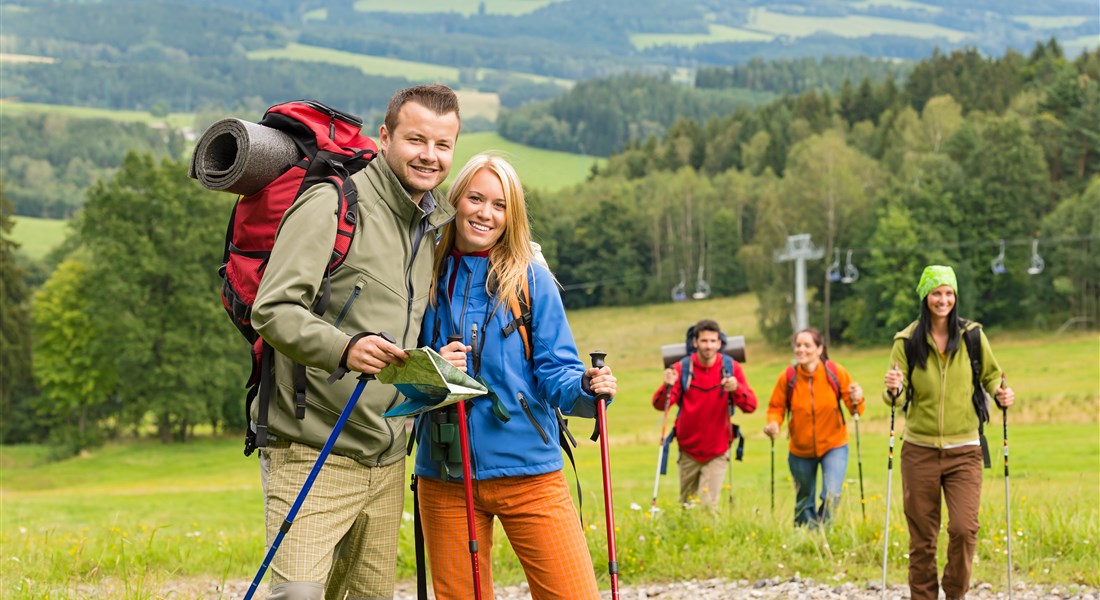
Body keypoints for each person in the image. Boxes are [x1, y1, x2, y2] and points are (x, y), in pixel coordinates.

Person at [249, 84, 461, 600]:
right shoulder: (333, 203)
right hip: (311, 450)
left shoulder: (431, 223)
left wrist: (439, 367)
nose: (429, 156)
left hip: (386, 461)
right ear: (385, 137)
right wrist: (344, 348)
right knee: (297, 596)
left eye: (443, 145)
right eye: (416, 140)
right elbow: (272, 309)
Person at [413, 153, 616, 600]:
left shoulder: (532, 280)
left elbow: (556, 372)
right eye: (476, 198)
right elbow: (400, 367)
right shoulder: (422, 273)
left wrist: (585, 389)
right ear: (456, 200)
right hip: (445, 473)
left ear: (512, 215)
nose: (486, 213)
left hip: (529, 472)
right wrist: (434, 364)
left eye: (500, 205)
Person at [883, 265, 1015, 600]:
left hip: (965, 450)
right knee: (922, 540)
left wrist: (1003, 396)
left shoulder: (972, 336)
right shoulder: (907, 340)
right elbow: (894, 395)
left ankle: (954, 594)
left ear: (955, 297)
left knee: (964, 529)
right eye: (936, 293)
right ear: (925, 297)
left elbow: (993, 377)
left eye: (948, 293)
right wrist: (892, 389)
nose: (943, 300)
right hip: (919, 450)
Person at [763, 327, 863, 527]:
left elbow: (855, 410)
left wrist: (857, 398)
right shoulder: (788, 376)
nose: (801, 349)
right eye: (798, 345)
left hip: (834, 445)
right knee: (804, 499)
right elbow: (776, 407)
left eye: (807, 345)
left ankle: (824, 532)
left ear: (819, 349)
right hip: (800, 449)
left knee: (831, 493)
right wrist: (773, 424)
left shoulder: (835, 372)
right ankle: (806, 536)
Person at [652, 319, 756, 510]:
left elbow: (751, 406)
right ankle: (690, 540)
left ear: (719, 343)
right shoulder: (681, 368)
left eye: (713, 341)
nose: (708, 346)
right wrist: (667, 385)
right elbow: (661, 405)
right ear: (695, 342)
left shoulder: (731, 368)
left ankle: (711, 539)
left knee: (707, 507)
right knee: (686, 506)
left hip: (717, 450)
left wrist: (736, 388)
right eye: (704, 341)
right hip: (688, 450)